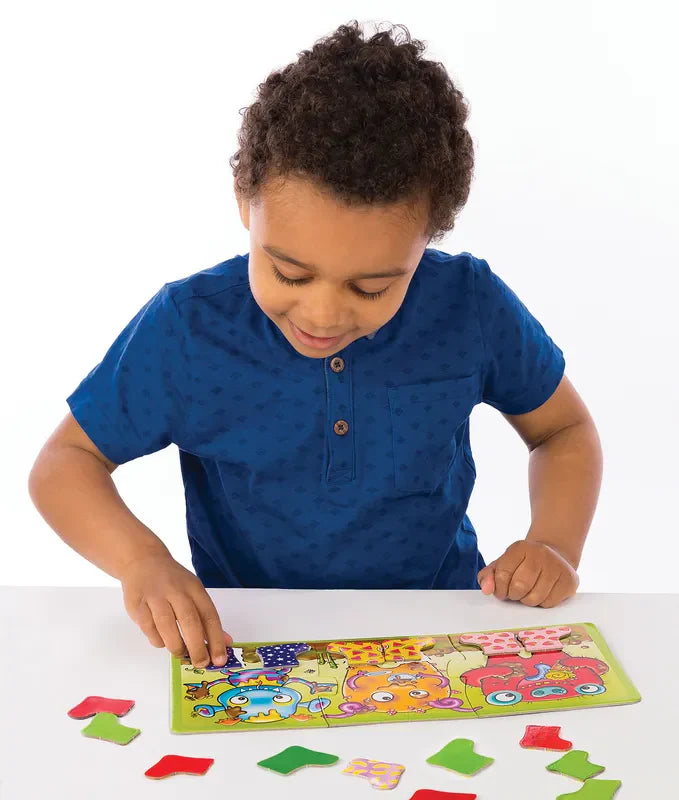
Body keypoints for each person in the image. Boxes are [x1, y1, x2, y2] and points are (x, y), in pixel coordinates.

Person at [28, 21, 603, 669]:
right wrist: (142, 561)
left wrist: (554, 544)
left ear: (425, 243)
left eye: (373, 286)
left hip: (444, 629)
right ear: (246, 204)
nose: (323, 313)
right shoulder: (190, 326)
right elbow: (66, 462)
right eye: (289, 273)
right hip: (251, 640)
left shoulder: (467, 304)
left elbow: (562, 431)